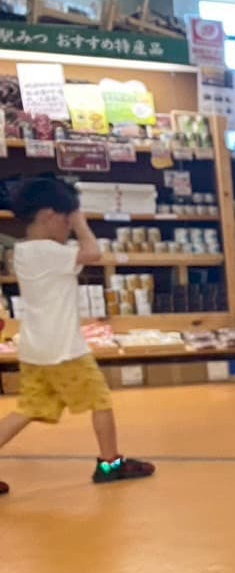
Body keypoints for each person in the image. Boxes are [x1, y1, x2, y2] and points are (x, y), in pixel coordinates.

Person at [0, 178, 155, 495]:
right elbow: (93, 252)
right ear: (48, 215)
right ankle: (110, 463)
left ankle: (111, 461)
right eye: (66, 219)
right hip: (64, 350)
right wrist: (81, 218)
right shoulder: (48, 251)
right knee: (100, 400)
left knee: (27, 408)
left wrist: (70, 211)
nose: (70, 226)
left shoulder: (24, 251)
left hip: (35, 349)